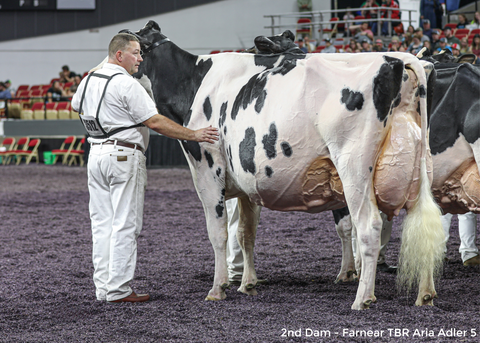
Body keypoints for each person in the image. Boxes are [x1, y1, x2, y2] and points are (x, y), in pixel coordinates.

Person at [71, 33, 219, 303]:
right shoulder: (127, 85)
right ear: (119, 55)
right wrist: (194, 134)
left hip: (95, 154)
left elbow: (75, 106)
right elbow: (156, 122)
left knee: (101, 224)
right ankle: (119, 290)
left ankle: (103, 288)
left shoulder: (88, 80)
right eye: (136, 53)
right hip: (124, 155)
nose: (141, 58)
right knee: (125, 224)